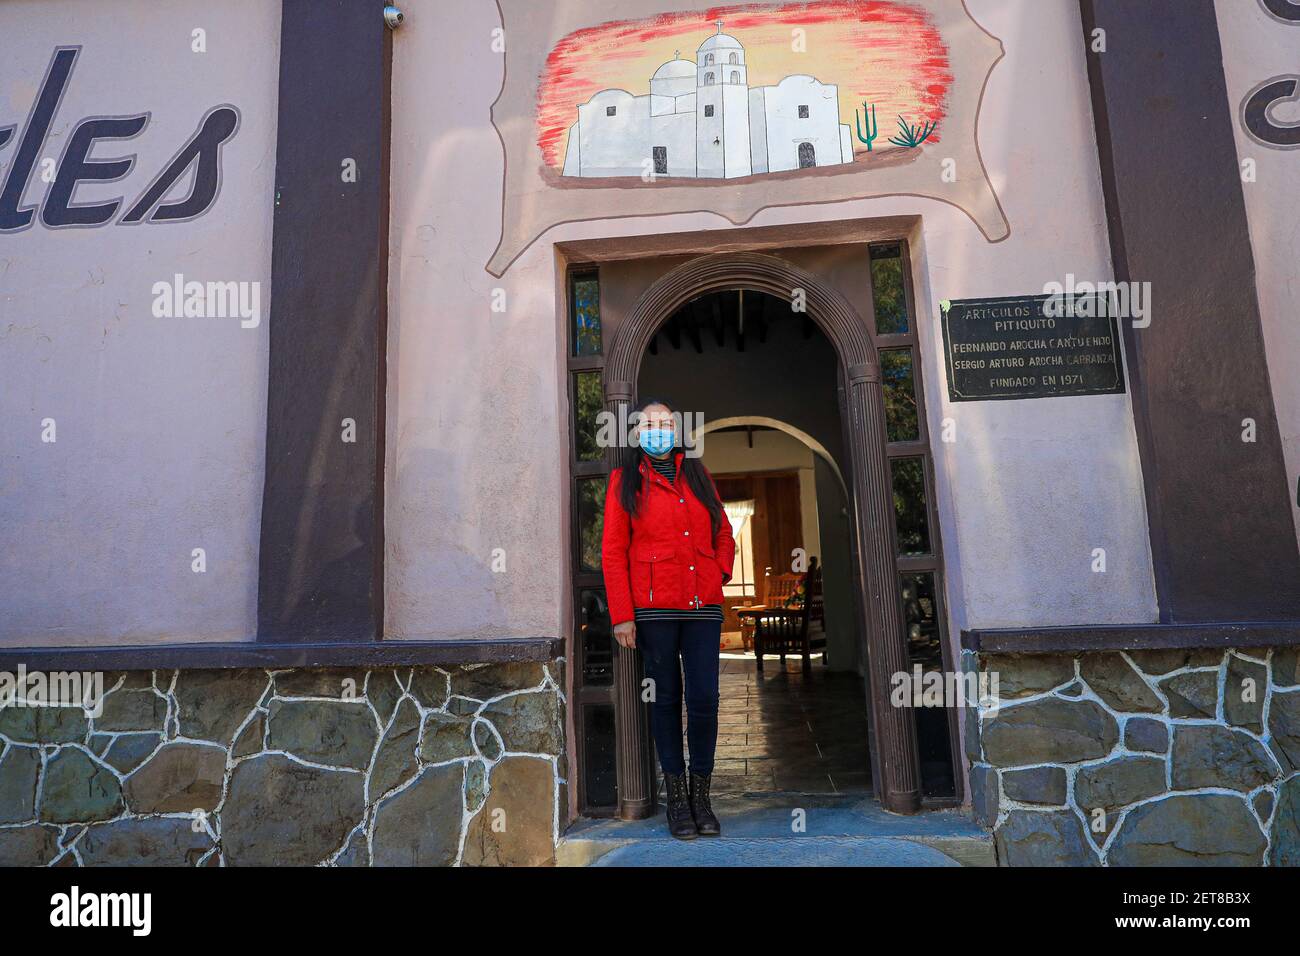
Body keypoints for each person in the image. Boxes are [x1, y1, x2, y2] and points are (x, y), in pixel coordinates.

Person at [601, 398, 735, 839]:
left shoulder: (697, 472)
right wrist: (622, 615)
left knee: (704, 700)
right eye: (649, 423)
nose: (658, 429)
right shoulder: (624, 481)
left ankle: (702, 797)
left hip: (702, 607)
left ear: (677, 429)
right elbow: (613, 550)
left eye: (666, 422)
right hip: (653, 610)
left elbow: (723, 529)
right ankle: (676, 800)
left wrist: (721, 571)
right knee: (664, 700)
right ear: (637, 433)